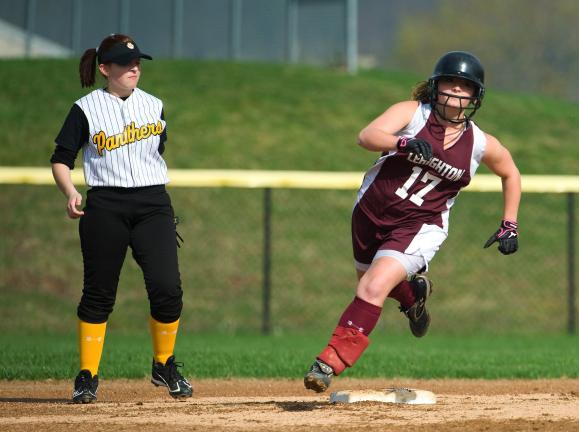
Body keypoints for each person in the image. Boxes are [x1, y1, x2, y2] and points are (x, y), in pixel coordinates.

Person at [303, 51, 521, 392]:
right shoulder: (413, 114)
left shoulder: (479, 143)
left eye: (465, 86)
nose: (455, 91)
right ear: (435, 85)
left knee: (372, 287)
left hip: (420, 226)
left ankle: (328, 362)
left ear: (476, 96)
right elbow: (367, 135)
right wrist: (401, 142)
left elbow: (511, 173)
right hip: (370, 214)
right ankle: (412, 298)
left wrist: (510, 223)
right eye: (450, 81)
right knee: (375, 286)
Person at [50, 34, 192, 403]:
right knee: (99, 292)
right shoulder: (84, 109)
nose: (133, 68)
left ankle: (164, 365)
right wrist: (70, 191)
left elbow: (155, 152)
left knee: (167, 288)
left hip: (152, 203)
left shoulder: (154, 105)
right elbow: (62, 157)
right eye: (124, 63)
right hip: (105, 205)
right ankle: (87, 375)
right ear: (104, 69)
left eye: (137, 63)